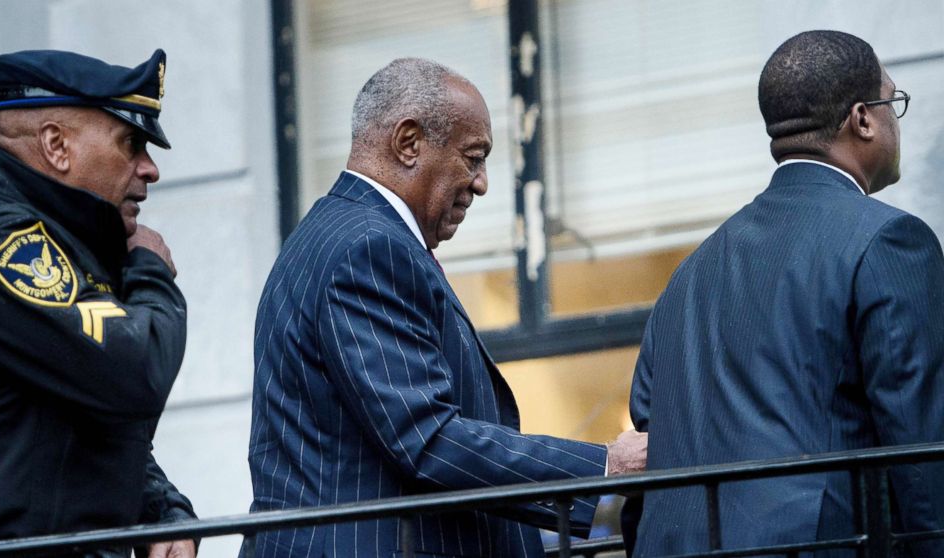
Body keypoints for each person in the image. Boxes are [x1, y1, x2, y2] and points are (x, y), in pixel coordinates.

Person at [245, 57, 647, 558]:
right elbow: (428, 440)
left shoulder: (347, 236)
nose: (481, 184)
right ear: (408, 143)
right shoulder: (367, 247)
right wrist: (606, 464)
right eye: (473, 157)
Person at [627, 30, 944, 557]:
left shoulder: (689, 274)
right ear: (863, 118)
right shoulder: (889, 240)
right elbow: (922, 443)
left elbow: (651, 428)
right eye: (894, 103)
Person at [0, 49, 197, 558]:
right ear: (56, 145)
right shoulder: (3, 246)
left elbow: (83, 418)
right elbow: (137, 371)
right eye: (131, 143)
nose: (149, 169)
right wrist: (150, 270)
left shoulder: (65, 243)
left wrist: (159, 509)